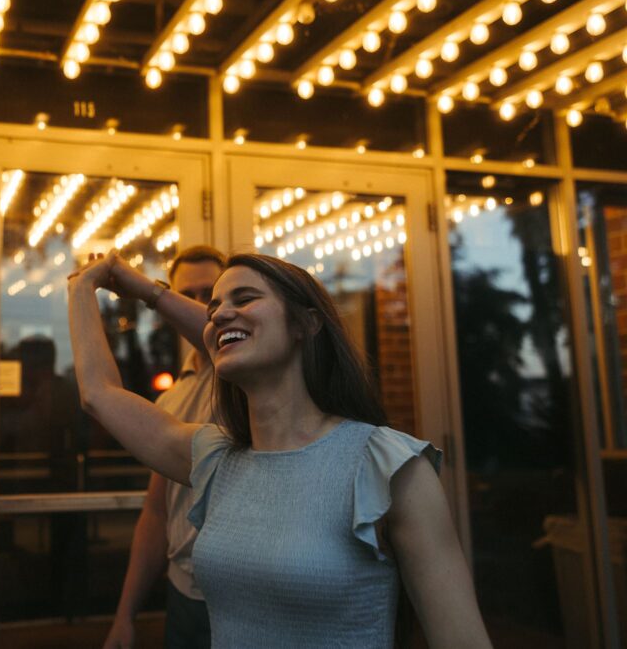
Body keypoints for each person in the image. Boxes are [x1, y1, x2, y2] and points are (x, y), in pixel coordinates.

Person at [68, 251, 492, 648]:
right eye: (213, 308)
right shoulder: (215, 458)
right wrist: (82, 288)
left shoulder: (385, 465)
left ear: (306, 324)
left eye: (244, 298)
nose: (219, 314)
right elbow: (100, 395)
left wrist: (146, 288)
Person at [104, 246, 225, 649]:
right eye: (187, 294)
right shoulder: (174, 397)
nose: (201, 304)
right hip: (183, 594)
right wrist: (124, 614)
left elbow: (218, 338)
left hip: (244, 590)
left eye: (211, 292)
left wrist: (147, 290)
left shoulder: (253, 377)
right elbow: (157, 512)